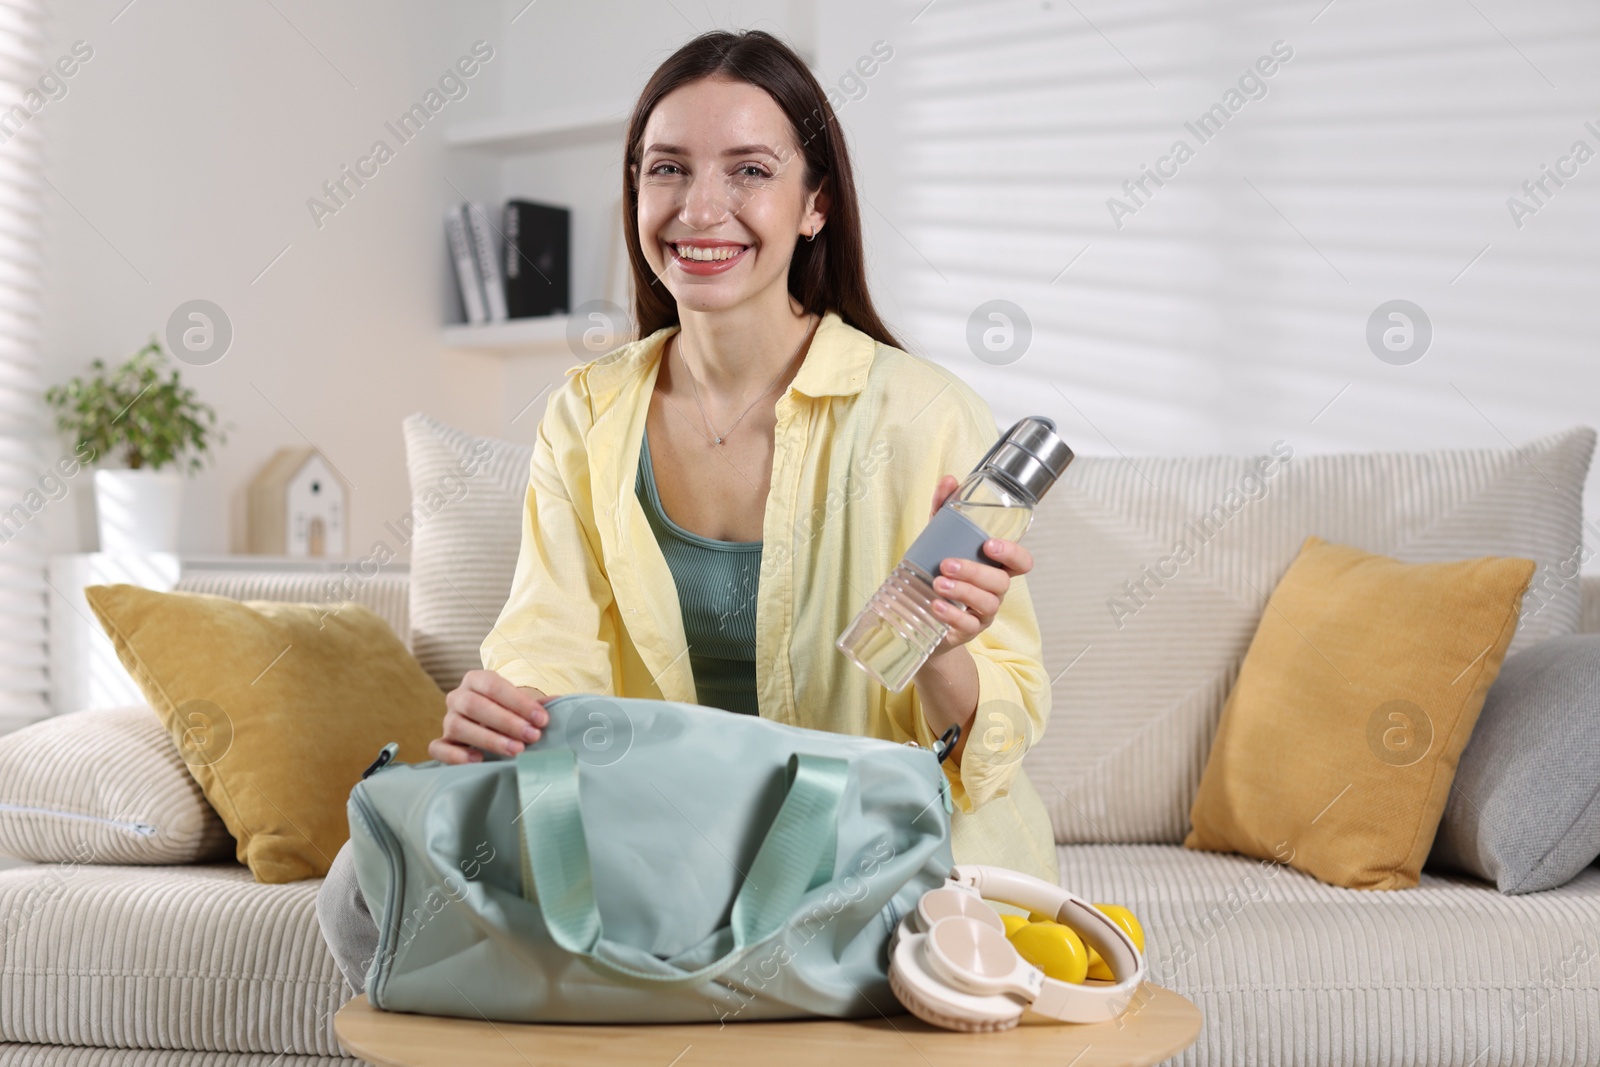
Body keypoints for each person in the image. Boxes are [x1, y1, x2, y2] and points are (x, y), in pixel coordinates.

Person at [317, 28, 1057, 996]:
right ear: (635, 193)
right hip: (668, 833)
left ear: (815, 203)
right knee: (354, 890)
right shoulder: (587, 415)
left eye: (750, 170)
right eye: (667, 169)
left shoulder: (928, 417)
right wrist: (501, 721)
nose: (700, 208)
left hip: (873, 841)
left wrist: (943, 644)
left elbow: (998, 736)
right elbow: (549, 658)